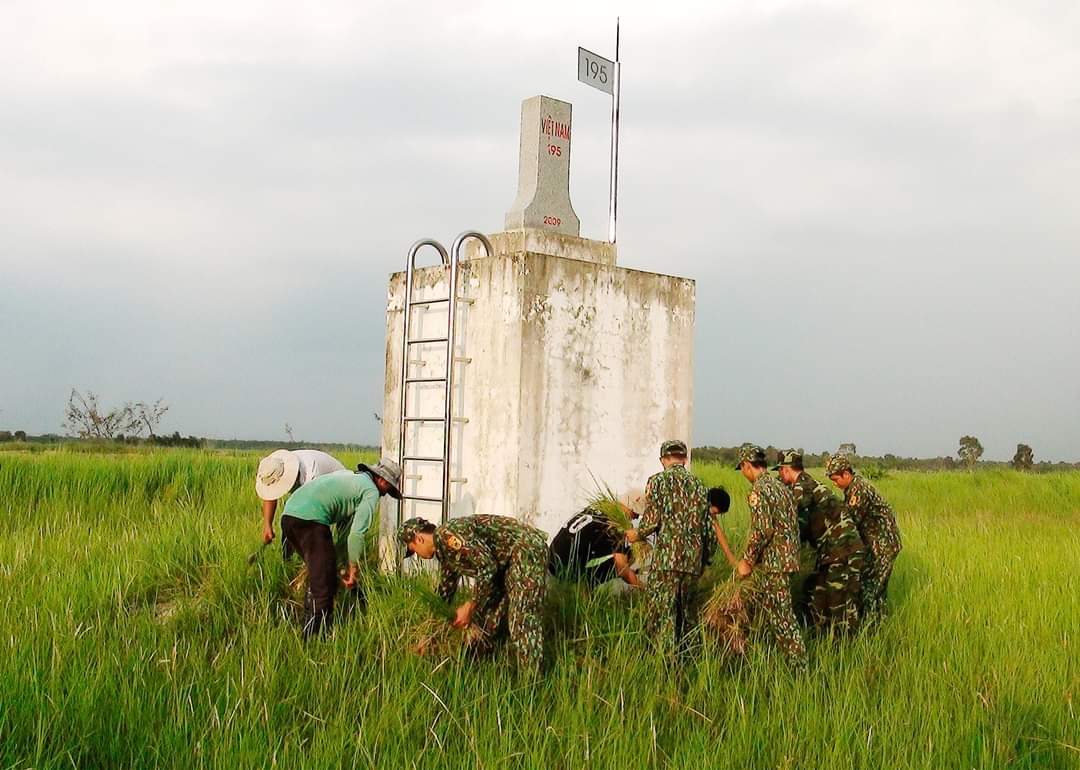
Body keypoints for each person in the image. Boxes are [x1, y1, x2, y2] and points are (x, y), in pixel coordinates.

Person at [399, 514, 548, 672]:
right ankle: (480, 670)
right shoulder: (444, 552)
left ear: (419, 539)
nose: (418, 556)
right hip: (504, 562)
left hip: (526, 550)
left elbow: (487, 566)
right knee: (484, 619)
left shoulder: (448, 535)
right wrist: (428, 636)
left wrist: (469, 605)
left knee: (521, 617)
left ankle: (532, 681)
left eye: (413, 550)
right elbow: (445, 592)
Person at [280, 458, 401, 638]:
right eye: (388, 489)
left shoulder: (350, 477)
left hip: (289, 517)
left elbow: (344, 528)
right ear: (382, 481)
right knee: (324, 586)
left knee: (320, 574)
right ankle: (314, 639)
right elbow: (357, 534)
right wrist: (353, 567)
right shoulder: (370, 491)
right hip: (310, 521)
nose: (385, 494)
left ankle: (309, 629)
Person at [625, 439, 709, 658]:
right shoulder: (699, 484)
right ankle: (690, 659)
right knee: (687, 614)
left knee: (663, 614)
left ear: (663, 459)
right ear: (684, 459)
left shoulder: (657, 481)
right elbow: (707, 527)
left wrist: (636, 534)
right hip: (692, 561)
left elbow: (651, 520)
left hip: (667, 561)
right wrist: (705, 560)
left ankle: (664, 665)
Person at [773, 449, 866, 633]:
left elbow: (794, 523)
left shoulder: (801, 487)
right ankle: (825, 640)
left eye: (780, 471)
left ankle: (848, 647)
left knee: (840, 602)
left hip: (843, 549)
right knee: (819, 596)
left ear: (786, 469)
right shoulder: (806, 483)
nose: (779, 475)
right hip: (832, 551)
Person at [734, 444, 807, 671]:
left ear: (747, 465)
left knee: (782, 617)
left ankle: (799, 668)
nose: (744, 474)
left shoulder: (759, 490)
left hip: (775, 563)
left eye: (743, 468)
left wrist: (747, 560)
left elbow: (762, 530)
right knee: (775, 613)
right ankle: (774, 659)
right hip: (788, 560)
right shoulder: (781, 487)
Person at [825, 454, 902, 617]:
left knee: (871, 589)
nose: (835, 484)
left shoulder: (859, 490)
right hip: (874, 544)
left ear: (846, 474)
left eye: (836, 479)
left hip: (883, 546)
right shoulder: (852, 487)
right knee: (872, 588)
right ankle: (878, 623)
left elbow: (850, 523)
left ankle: (873, 629)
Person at [256, 449, 346, 546]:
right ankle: (289, 558)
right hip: (312, 486)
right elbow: (270, 495)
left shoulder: (311, 473)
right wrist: (267, 525)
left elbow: (312, 516)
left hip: (340, 488)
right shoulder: (273, 467)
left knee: (340, 535)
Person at [548, 505, 641, 588]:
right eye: (634, 516)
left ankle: (582, 592)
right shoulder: (614, 531)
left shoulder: (601, 507)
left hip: (550, 556)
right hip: (561, 569)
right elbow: (622, 569)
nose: (633, 519)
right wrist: (644, 588)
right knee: (625, 557)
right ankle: (584, 594)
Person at [706, 486, 738, 568]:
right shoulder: (699, 507)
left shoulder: (709, 512)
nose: (714, 515)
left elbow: (719, 532)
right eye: (715, 512)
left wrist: (731, 559)